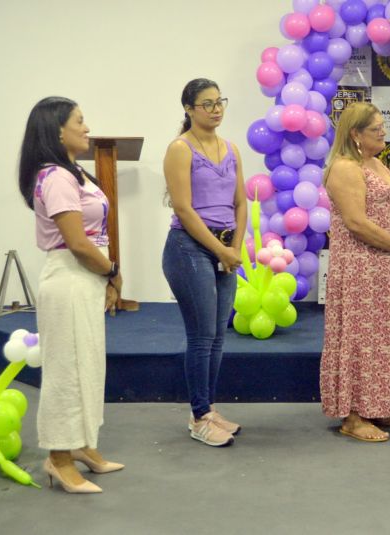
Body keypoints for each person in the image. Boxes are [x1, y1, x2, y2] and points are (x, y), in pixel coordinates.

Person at [19, 96, 124, 493]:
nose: (87, 127)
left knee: (88, 364)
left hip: (85, 278)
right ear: (57, 130)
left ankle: (81, 445)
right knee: (66, 369)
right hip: (68, 278)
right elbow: (78, 244)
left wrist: (109, 278)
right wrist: (112, 271)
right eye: (79, 121)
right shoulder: (57, 177)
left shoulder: (73, 172)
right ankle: (58, 459)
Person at [320, 102, 390, 442]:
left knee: (381, 338)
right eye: (376, 129)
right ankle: (352, 417)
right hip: (361, 268)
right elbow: (356, 223)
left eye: (383, 127)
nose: (383, 133)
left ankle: (375, 405)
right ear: (355, 134)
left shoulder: (375, 162)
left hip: (386, 265)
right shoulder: (345, 168)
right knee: (359, 339)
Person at [162, 78, 246, 447]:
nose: (216, 109)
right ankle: (198, 417)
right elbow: (183, 208)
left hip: (225, 247)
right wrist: (220, 250)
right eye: (207, 103)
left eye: (219, 102)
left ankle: (208, 409)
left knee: (217, 336)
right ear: (189, 109)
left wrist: (235, 247)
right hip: (189, 248)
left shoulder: (231, 149)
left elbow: (241, 203)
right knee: (201, 337)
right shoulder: (180, 149)